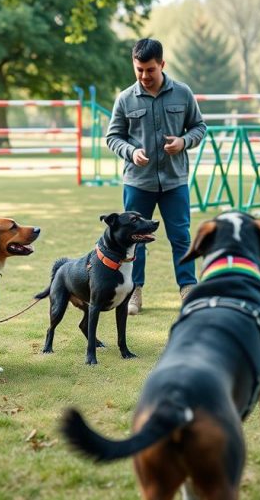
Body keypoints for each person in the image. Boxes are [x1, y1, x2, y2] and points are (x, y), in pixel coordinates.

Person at [106, 38, 207, 315]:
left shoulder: (183, 93)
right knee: (133, 239)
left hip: (175, 182)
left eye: (150, 69)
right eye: (139, 69)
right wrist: (130, 151)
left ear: (162, 64)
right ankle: (134, 291)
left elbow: (199, 127)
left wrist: (183, 142)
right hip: (138, 182)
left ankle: (188, 288)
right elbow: (113, 137)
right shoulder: (125, 99)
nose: (144, 76)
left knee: (181, 237)